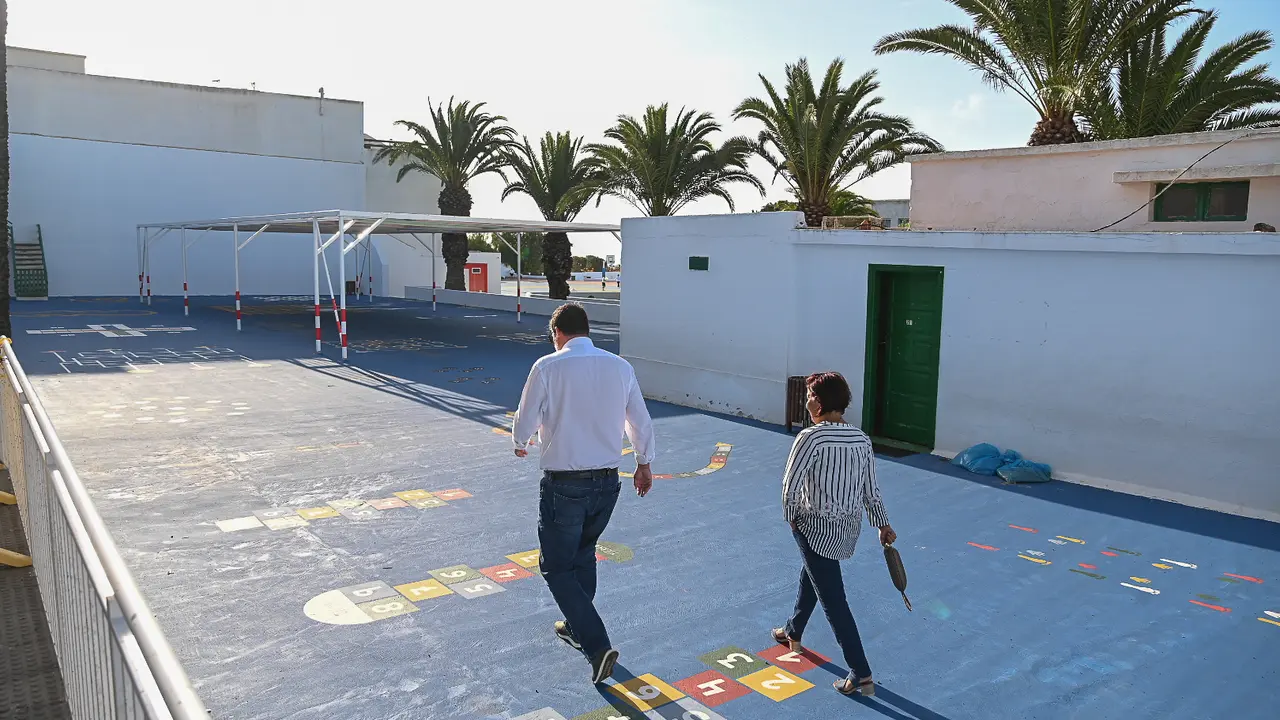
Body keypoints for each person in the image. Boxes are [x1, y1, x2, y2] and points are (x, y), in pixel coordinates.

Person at [511, 303, 656, 684]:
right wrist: (644, 462)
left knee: (555, 566)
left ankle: (596, 645)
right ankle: (577, 627)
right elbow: (638, 420)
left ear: (557, 332)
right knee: (583, 552)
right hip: (608, 483)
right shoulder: (620, 367)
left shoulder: (547, 366)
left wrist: (520, 440)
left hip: (565, 486)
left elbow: (526, 417)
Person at [773, 371, 896, 697]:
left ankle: (861, 672)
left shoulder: (810, 438)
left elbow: (790, 486)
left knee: (833, 599)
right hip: (847, 529)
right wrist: (883, 524)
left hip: (812, 525)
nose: (807, 400)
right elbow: (872, 489)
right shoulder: (861, 439)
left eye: (811, 395)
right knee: (814, 573)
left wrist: (791, 519)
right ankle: (792, 630)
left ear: (822, 401)